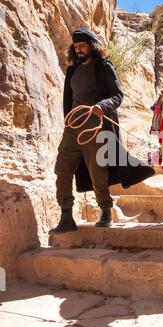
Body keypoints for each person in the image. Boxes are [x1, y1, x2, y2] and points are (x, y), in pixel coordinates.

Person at [51, 28, 154, 234]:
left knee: (97, 172)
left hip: (95, 127)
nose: (79, 50)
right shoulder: (72, 70)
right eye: (76, 47)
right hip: (73, 128)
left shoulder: (104, 67)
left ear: (92, 46)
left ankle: (106, 211)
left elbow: (118, 95)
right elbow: (68, 99)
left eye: (82, 46)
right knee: (62, 170)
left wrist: (102, 106)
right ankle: (66, 216)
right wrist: (67, 121)